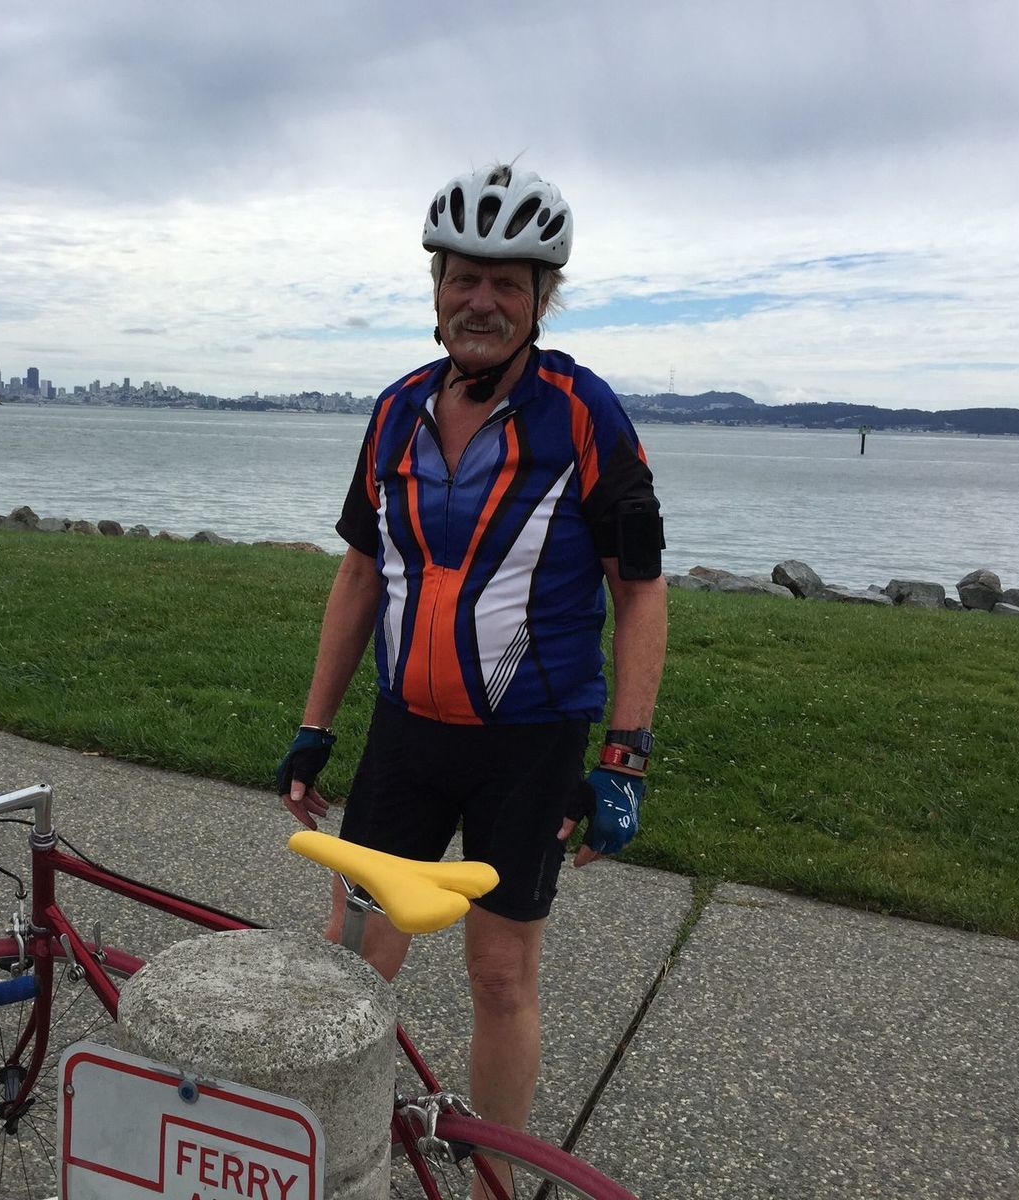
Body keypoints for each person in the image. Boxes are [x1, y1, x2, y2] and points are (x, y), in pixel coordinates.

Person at [276, 163, 667, 1137]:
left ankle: (493, 1177)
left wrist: (624, 758)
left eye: (506, 283)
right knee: (351, 955)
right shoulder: (396, 410)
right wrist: (314, 726)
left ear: (541, 299)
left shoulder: (583, 414)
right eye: (462, 277)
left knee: (499, 976)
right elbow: (359, 573)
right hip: (407, 733)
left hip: (530, 743)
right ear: (436, 288)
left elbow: (639, 592)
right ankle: (326, 1155)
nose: (480, 300)